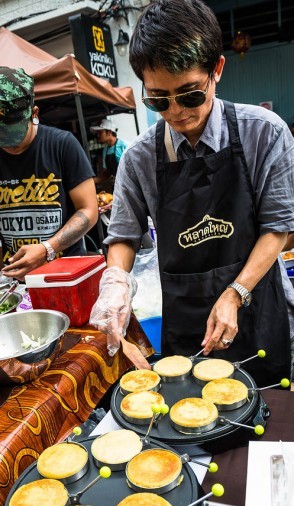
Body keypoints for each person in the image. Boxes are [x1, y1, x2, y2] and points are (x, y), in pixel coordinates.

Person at [90, 0, 294, 387]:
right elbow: (123, 237)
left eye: (189, 94)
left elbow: (278, 227)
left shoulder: (263, 133)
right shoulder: (139, 158)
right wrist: (115, 283)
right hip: (188, 327)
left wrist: (235, 293)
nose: (176, 112)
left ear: (216, 69)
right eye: (158, 100)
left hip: (257, 314)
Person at [0, 67, 98, 281]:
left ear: (34, 114)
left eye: (13, 135)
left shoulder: (62, 144)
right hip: (13, 281)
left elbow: (89, 210)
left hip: (65, 276)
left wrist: (47, 248)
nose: (8, 145)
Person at [90, 118, 128, 193]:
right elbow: (107, 173)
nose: (98, 135)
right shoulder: (105, 150)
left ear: (109, 132)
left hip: (128, 184)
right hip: (117, 187)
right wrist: (93, 181)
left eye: (100, 132)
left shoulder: (123, 145)